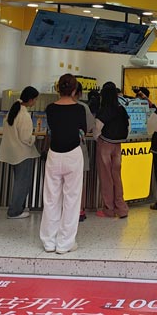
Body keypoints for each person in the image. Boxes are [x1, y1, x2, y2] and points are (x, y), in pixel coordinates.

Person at [39, 74, 87, 254]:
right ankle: (65, 243)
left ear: (58, 88)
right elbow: (82, 131)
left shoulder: (50, 108)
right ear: (74, 90)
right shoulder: (79, 109)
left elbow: (51, 129)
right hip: (73, 154)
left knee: (51, 198)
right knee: (72, 199)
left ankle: (49, 242)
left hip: (54, 154)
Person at [0, 86, 40, 219]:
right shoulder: (24, 115)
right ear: (31, 99)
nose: (35, 102)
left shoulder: (13, 110)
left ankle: (16, 208)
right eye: (35, 99)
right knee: (22, 183)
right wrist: (35, 137)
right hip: (23, 153)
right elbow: (26, 138)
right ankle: (15, 211)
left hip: (13, 153)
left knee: (18, 181)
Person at [95, 81, 129, 218]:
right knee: (117, 176)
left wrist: (98, 138)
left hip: (105, 144)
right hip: (118, 145)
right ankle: (121, 208)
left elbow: (97, 128)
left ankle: (108, 209)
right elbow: (128, 126)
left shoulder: (104, 110)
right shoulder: (121, 109)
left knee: (106, 177)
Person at [75, 82, 96, 222]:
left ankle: (64, 210)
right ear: (80, 93)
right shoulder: (83, 107)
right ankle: (79, 210)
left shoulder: (53, 107)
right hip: (78, 147)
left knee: (61, 183)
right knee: (78, 182)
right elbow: (89, 126)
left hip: (58, 150)